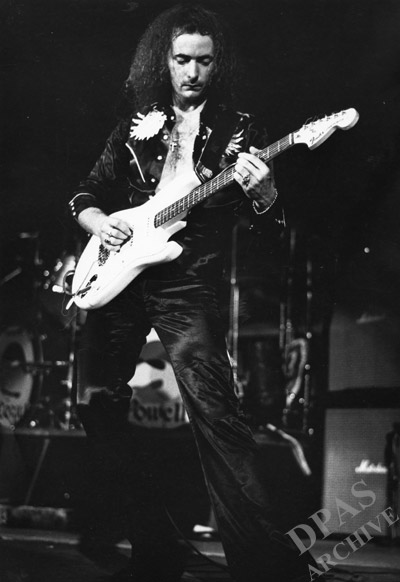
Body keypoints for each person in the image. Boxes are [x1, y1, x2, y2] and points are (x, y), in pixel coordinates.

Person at [69, 4, 316, 582]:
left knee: (217, 417)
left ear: (217, 64)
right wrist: (101, 223)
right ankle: (155, 546)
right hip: (121, 277)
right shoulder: (138, 123)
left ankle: (264, 567)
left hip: (186, 283)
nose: (193, 72)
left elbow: (268, 232)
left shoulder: (241, 130)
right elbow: (85, 192)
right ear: (165, 60)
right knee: (98, 408)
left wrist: (266, 194)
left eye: (204, 61)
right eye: (182, 59)